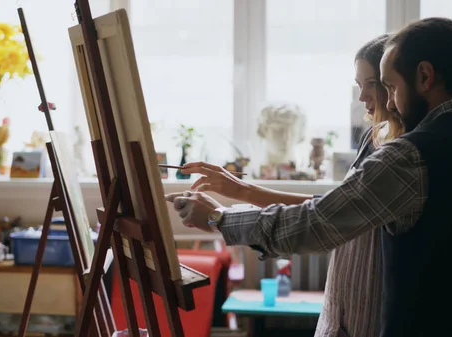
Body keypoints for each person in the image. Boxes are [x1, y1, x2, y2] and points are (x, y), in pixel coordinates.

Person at [166, 17, 452, 337]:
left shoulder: (411, 155)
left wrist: (218, 218)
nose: (391, 103)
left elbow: (317, 222)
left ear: (425, 76)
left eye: (390, 87)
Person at [168, 34, 401, 337]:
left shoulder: (402, 155)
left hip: (368, 309)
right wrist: (242, 190)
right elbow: (333, 206)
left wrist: (221, 217)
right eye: (359, 85)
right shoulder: (374, 138)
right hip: (346, 306)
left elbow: (324, 218)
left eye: (372, 84)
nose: (361, 97)